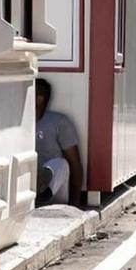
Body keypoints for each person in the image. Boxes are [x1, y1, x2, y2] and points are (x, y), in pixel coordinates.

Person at [33, 77, 83, 207]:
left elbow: (75, 163)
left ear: (40, 99)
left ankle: (43, 191)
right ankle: (36, 192)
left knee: (61, 163)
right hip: (28, 187)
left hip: (55, 192)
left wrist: (75, 203)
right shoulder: (17, 123)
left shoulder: (59, 122)